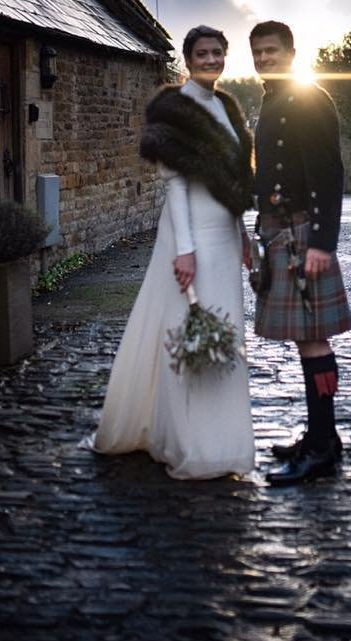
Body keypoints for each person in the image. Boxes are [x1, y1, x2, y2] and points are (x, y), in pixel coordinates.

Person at [91, 26, 257, 480]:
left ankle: (224, 439)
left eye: (217, 52)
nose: (210, 59)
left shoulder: (226, 107)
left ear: (225, 57)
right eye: (201, 53)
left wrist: (242, 233)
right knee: (188, 325)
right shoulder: (171, 108)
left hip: (223, 232)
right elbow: (176, 184)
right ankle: (187, 439)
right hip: (191, 233)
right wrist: (184, 251)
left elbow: (231, 182)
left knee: (224, 326)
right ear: (187, 59)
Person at [248, 20, 351, 486]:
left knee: (313, 337)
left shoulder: (309, 98)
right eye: (258, 53)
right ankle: (318, 437)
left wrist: (322, 242)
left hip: (301, 233)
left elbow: (329, 174)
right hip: (278, 231)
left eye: (272, 51)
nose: (265, 59)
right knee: (303, 338)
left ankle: (324, 445)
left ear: (292, 52)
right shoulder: (274, 99)